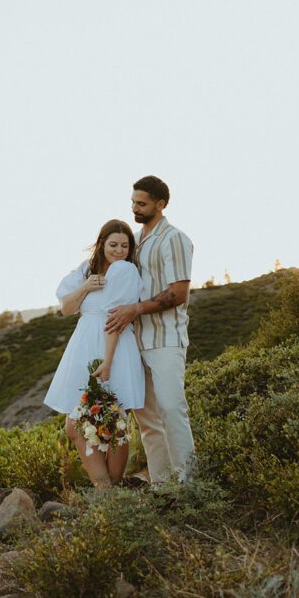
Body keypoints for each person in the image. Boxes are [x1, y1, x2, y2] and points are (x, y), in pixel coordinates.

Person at [105, 175, 195, 484]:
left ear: (161, 204)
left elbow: (179, 292)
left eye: (141, 204)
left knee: (171, 409)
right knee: (147, 420)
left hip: (165, 339)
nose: (135, 208)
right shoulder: (136, 240)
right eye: (132, 202)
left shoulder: (175, 239)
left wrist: (136, 309)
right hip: (135, 341)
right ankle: (163, 487)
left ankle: (187, 486)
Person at [44, 219, 144, 490]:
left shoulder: (125, 271)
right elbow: (66, 307)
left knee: (115, 422)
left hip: (114, 348)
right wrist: (86, 286)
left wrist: (109, 362)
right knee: (76, 426)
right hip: (84, 348)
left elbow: (115, 319)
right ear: (101, 244)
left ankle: (110, 488)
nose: (119, 250)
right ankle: (105, 488)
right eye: (113, 244)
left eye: (125, 245)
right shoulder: (86, 270)